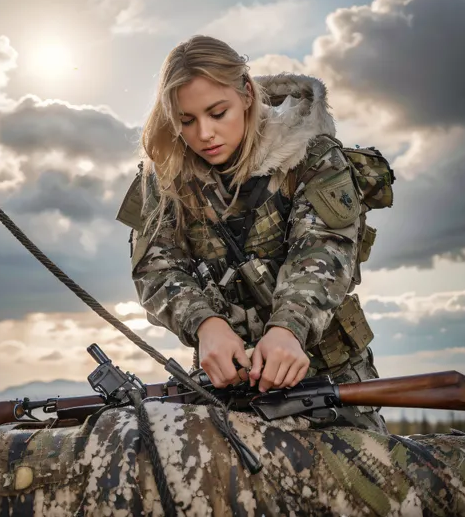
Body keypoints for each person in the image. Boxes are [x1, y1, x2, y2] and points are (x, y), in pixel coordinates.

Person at [116, 35, 387, 433]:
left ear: (246, 94)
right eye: (187, 121)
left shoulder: (311, 154)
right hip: (227, 392)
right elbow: (155, 269)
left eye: (217, 112)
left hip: (331, 381)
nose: (204, 133)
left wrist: (288, 329)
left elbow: (324, 251)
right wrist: (205, 323)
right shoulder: (164, 177)